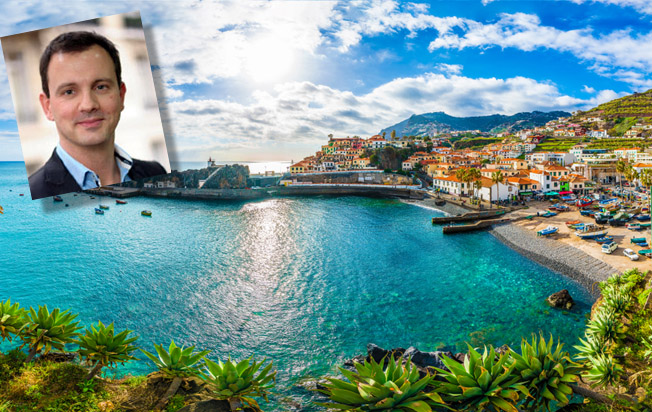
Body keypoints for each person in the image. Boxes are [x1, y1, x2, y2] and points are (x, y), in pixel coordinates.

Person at [28, 31, 166, 200]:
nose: (88, 105)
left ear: (121, 95)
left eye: (101, 87)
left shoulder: (156, 174)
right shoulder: (31, 197)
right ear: (47, 107)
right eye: (69, 91)